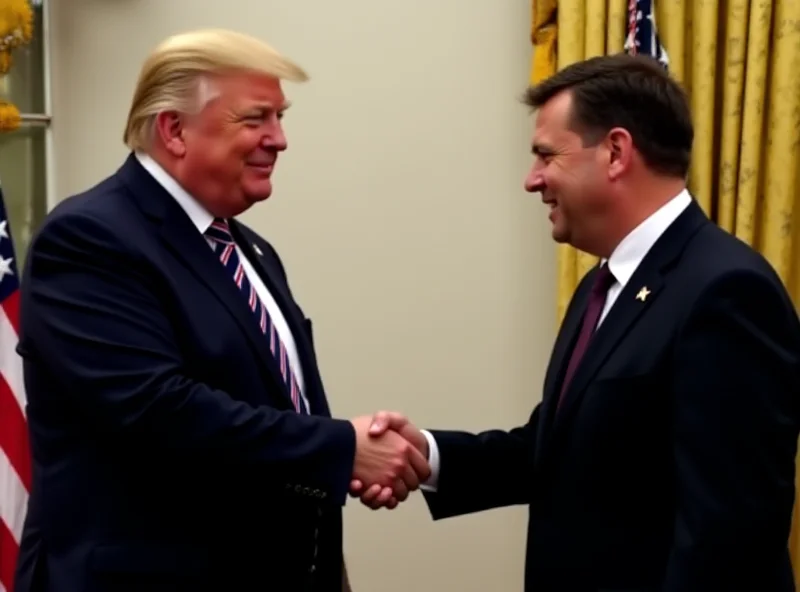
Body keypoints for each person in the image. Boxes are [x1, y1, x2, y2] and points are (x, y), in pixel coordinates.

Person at [352, 53, 800, 591]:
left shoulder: (725, 290)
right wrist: (427, 456)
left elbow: (729, 533)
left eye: (546, 155)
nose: (531, 180)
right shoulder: (601, 286)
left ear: (615, 151)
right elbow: (555, 450)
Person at [14, 29, 429, 592]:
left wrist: (348, 460)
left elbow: (276, 406)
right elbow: (158, 409)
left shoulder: (247, 248)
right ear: (174, 129)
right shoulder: (90, 238)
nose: (279, 139)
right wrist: (341, 450)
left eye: (281, 117)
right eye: (256, 118)